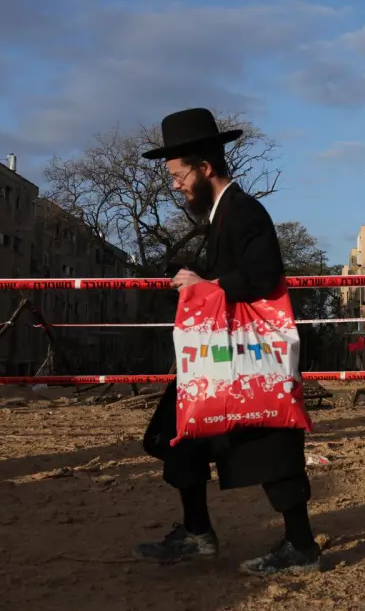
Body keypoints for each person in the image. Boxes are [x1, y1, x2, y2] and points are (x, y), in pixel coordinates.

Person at [135, 108, 324, 576]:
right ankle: (197, 533)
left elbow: (263, 276)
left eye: (179, 175)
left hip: (247, 357)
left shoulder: (244, 211)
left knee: (271, 446)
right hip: (225, 357)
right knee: (178, 437)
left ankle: (301, 546)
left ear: (204, 167)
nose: (175, 185)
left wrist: (206, 282)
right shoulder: (225, 213)